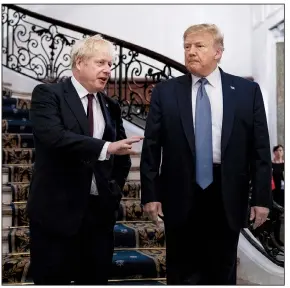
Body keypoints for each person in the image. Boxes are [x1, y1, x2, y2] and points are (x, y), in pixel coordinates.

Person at [140, 24, 272, 285]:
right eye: (187, 46)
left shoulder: (246, 92)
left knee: (221, 271)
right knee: (181, 271)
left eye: (199, 46)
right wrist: (151, 194)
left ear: (218, 52)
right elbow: (151, 147)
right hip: (180, 192)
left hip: (226, 192)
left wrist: (261, 198)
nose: (191, 52)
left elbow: (260, 149)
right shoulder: (166, 92)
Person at [27, 34, 143, 285]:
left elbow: (121, 157)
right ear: (79, 62)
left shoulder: (111, 105)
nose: (108, 70)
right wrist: (105, 147)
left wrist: (113, 191)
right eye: (101, 63)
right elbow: (54, 138)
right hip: (55, 213)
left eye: (110, 65)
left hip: (98, 216)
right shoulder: (48, 95)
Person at [272, 144, 284, 246]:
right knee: (275, 215)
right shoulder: (271, 165)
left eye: (281, 150)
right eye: (278, 150)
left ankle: (279, 238)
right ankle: (274, 238)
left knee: (281, 215)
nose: (280, 152)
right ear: (274, 152)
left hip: (284, 192)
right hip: (275, 193)